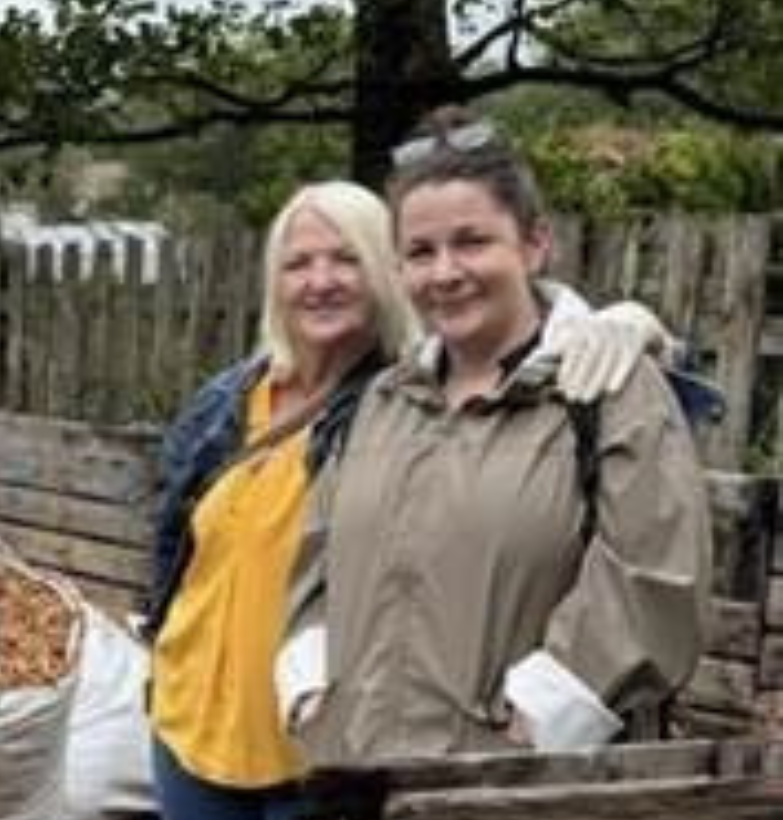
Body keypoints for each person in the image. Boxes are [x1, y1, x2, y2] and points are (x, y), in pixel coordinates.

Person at [141, 178, 664, 820]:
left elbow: (526, 347)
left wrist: (632, 324)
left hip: (317, 747)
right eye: (297, 261)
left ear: (382, 270)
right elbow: (177, 546)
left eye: (344, 256)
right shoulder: (232, 395)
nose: (320, 279)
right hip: (191, 722)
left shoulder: (402, 396)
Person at [276, 111, 709, 766]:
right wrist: (311, 689)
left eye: (472, 241)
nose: (445, 272)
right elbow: (316, 561)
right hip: (362, 791)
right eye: (420, 252)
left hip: (518, 807)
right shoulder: (382, 403)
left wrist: (540, 720)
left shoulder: (608, 392)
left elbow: (654, 579)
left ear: (534, 244)